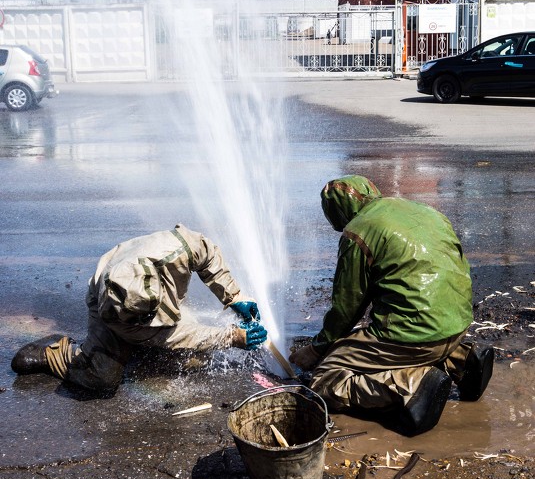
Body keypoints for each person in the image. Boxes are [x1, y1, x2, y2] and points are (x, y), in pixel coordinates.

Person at [289, 176, 494, 436]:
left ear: (337, 212)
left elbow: (347, 307)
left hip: (414, 336)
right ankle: (463, 360)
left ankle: (409, 388)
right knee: (408, 342)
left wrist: (318, 348)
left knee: (326, 379)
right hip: (458, 324)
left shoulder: (357, 231)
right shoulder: (424, 211)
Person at [12, 224, 267, 397]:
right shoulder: (115, 312)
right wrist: (232, 337)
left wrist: (233, 296)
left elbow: (207, 254)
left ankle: (137, 348)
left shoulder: (176, 250)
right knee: (103, 380)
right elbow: (175, 335)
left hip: (146, 298)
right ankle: (57, 352)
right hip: (114, 317)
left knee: (194, 359)